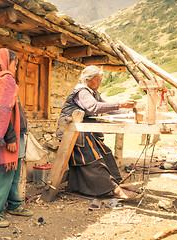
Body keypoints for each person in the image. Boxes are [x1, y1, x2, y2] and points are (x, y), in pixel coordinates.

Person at [56, 65, 140, 200]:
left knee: (105, 153)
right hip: (71, 133)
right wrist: (120, 104)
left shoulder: (93, 92)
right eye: (98, 80)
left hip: (84, 132)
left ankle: (114, 184)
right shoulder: (81, 91)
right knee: (92, 158)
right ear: (89, 79)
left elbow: (108, 108)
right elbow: (93, 107)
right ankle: (113, 189)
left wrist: (129, 113)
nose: (100, 83)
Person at [0, 48, 33, 228]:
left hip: (11, 134)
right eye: (15, 65)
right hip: (6, 136)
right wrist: (10, 137)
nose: (16, 69)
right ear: (5, 63)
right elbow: (0, 112)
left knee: (14, 172)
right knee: (2, 173)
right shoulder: (5, 78)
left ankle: (14, 205)